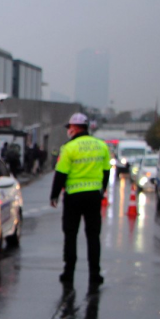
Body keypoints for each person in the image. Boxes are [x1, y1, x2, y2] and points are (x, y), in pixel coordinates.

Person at [49, 113, 110, 285]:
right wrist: (102, 191)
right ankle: (95, 274)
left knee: (70, 235)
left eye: (69, 128)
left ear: (75, 128)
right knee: (93, 236)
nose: (68, 131)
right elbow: (106, 172)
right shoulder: (101, 146)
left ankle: (68, 272)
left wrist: (54, 195)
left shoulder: (69, 148)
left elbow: (61, 173)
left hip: (73, 197)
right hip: (93, 197)